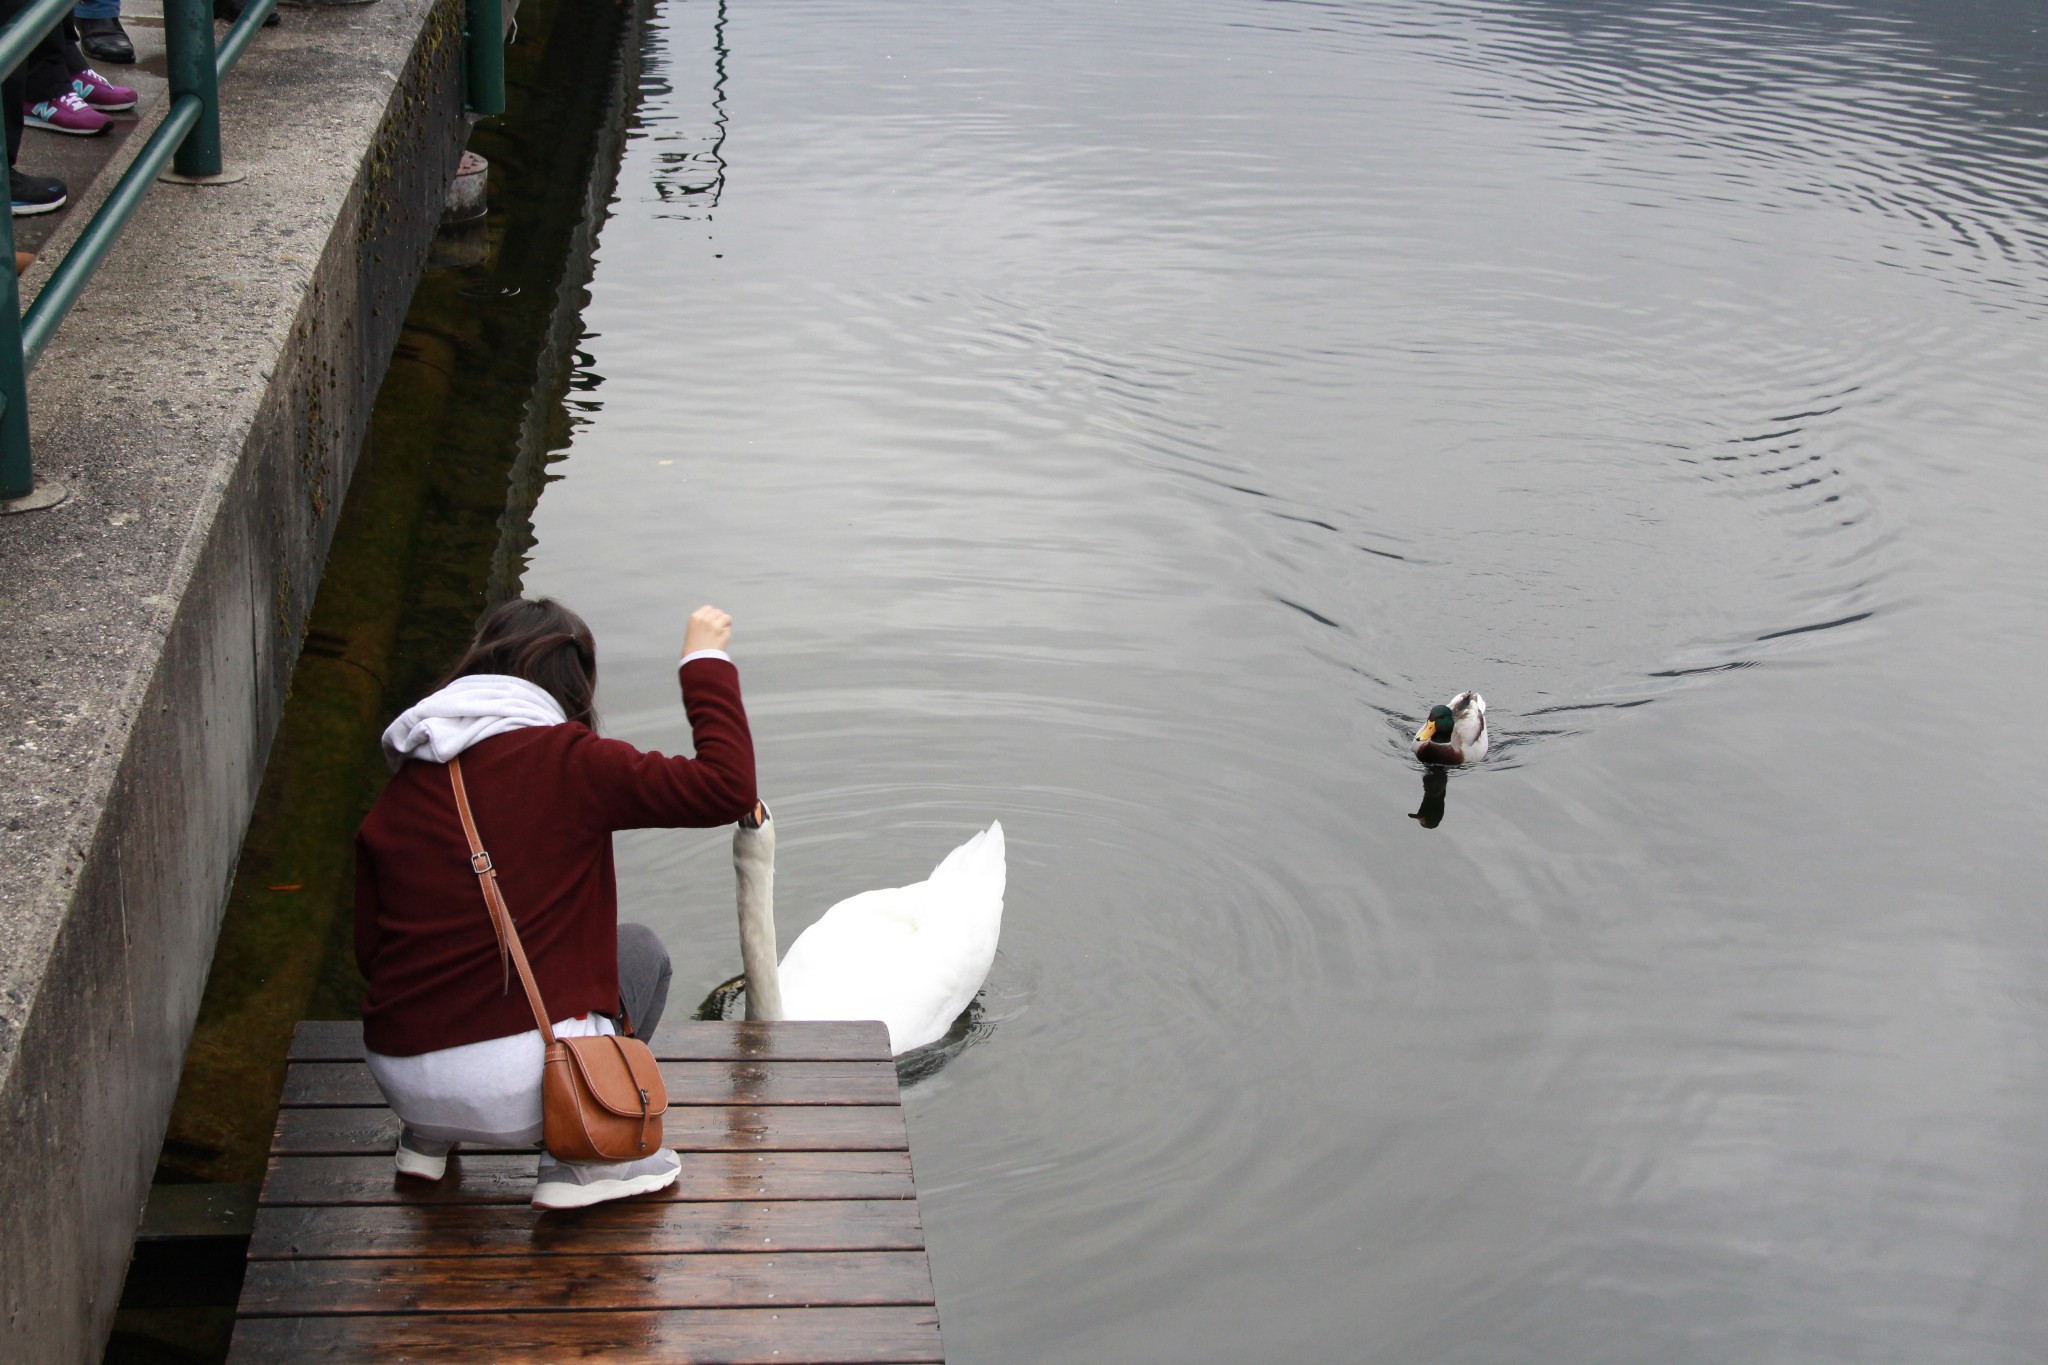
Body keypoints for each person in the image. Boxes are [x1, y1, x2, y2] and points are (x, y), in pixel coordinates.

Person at [353, 597, 756, 1210]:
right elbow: (727, 788)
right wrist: (704, 659)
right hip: (527, 1087)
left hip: (401, 1076)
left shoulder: (407, 779)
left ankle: (428, 1142)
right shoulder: (573, 761)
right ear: (574, 682)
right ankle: (579, 1157)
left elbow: (370, 952)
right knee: (640, 951)